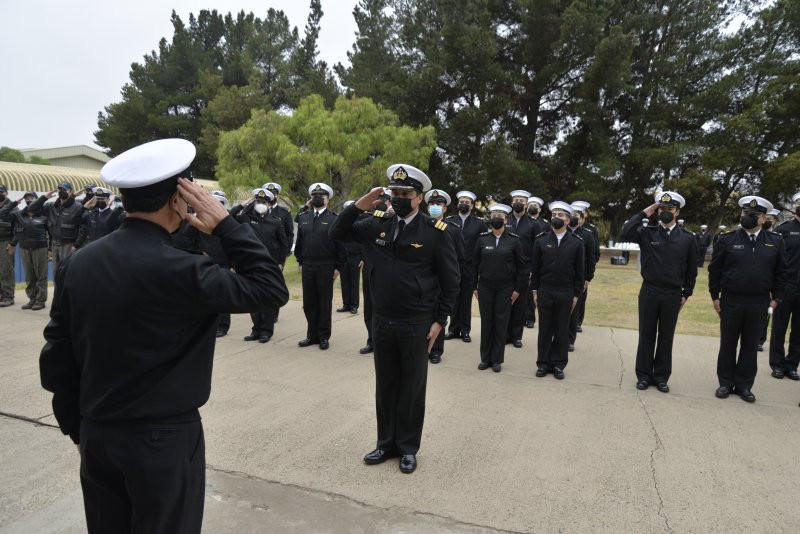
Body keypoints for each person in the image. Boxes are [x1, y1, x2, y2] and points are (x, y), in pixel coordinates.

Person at [39, 138, 289, 533]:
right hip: (163, 441)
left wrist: (81, 428)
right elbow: (271, 289)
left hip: (98, 432)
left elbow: (56, 358)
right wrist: (225, 225)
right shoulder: (185, 270)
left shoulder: (78, 264)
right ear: (179, 197)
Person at [329, 164, 460, 474]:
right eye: (395, 193)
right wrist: (359, 205)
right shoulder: (376, 224)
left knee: (412, 387)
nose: (399, 198)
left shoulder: (435, 232)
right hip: (382, 320)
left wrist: (440, 320)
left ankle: (408, 448)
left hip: (417, 322)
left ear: (420, 198)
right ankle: (385, 443)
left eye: (406, 194)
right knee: (385, 385)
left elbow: (452, 281)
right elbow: (337, 233)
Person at [709, 195, 787, 403]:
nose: (747, 217)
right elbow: (714, 270)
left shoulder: (776, 242)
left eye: (753, 215)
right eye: (745, 213)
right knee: (728, 343)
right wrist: (715, 296)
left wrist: (776, 298)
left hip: (759, 302)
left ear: (763, 218)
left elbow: (781, 273)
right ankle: (725, 383)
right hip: (731, 300)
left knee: (750, 345)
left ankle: (744, 385)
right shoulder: (726, 240)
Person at [619, 192, 697, 393]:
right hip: (650, 291)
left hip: (672, 294)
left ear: (677, 212)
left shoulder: (688, 238)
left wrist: (685, 293)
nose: (665, 212)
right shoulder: (648, 233)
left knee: (666, 336)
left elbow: (691, 270)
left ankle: (661, 377)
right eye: (662, 209)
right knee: (646, 334)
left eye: (670, 209)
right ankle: (643, 375)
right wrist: (646, 211)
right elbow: (625, 233)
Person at [531, 201, 585, 379]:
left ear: (568, 220)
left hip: (565, 292)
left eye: (561, 215)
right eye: (554, 215)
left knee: (562, 329)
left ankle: (558, 364)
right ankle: (543, 363)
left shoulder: (577, 243)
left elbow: (580, 272)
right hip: (545, 290)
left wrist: (576, 295)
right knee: (545, 329)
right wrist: (535, 290)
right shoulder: (541, 240)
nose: (556, 218)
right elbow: (536, 269)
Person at [473, 203, 527, 372]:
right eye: (494, 215)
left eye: (500, 215)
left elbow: (522, 267)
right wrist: (475, 286)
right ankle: (485, 358)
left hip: (506, 288)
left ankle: (497, 360)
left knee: (501, 322)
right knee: (487, 322)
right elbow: (474, 264)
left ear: (506, 219)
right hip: (485, 287)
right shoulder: (482, 239)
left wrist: (518, 289)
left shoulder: (514, 240)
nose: (497, 218)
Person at [173, 190, 234, 338]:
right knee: (206, 296)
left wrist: (234, 265)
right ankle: (209, 324)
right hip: (206, 263)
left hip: (224, 264)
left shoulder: (228, 224)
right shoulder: (198, 223)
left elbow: (234, 246)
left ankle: (223, 326)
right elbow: (185, 240)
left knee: (223, 297)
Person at [234, 188, 290, 343]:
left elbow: (284, 245)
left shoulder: (276, 222)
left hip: (269, 266)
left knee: (267, 298)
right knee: (252, 297)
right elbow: (230, 216)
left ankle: (266, 331)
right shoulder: (245, 219)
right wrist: (244, 205)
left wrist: (280, 263)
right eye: (257, 201)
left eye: (263, 202)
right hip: (250, 264)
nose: (260, 204)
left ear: (268, 204)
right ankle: (256, 329)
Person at [295, 182, 346, 350]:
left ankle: (324, 336)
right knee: (309, 303)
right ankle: (312, 335)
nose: (318, 198)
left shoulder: (334, 219)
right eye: (315, 196)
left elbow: (341, 246)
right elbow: (300, 243)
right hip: (308, 266)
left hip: (326, 266)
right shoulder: (304, 217)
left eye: (321, 196)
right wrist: (300, 261)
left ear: (328, 200)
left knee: (324, 302)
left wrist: (338, 267)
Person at [425, 189, 467, 363]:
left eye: (439, 205)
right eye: (432, 204)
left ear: (445, 209)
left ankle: (436, 350)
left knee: (439, 313)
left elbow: (460, 257)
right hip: (422, 277)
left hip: (442, 279)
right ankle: (422, 347)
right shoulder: (421, 225)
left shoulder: (453, 229)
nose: (435, 207)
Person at [444, 190, 487, 343]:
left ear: (472, 206)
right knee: (453, 298)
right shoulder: (449, 221)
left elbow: (482, 245)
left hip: (470, 266)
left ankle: (465, 330)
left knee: (466, 299)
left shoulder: (479, 223)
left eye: (466, 203)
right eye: (461, 202)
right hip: (452, 265)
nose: (463, 204)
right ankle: (453, 329)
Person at [769, 196, 800, 379]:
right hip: (787, 284)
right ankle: (777, 364)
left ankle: (792, 364)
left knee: (798, 329)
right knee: (780, 326)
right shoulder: (784, 230)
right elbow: (775, 261)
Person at [359, 189, 392, 354]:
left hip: (388, 271)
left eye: (384, 201)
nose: (380, 204)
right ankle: (372, 340)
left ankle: (386, 343)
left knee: (387, 308)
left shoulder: (396, 220)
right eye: (377, 201)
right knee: (369, 308)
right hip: (369, 269)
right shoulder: (368, 220)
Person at [27, 182, 84, 278]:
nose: (62, 192)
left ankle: (68, 293)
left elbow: (83, 227)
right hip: (55, 245)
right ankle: (57, 293)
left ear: (71, 192)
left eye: (65, 190)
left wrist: (76, 245)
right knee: (56, 274)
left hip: (69, 245)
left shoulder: (77, 207)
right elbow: (31, 208)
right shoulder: (51, 206)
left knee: (67, 273)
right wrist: (44, 197)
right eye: (60, 190)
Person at [3, 192, 49, 310]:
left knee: (41, 276)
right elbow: (2, 214)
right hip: (25, 248)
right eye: (27, 198)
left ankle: (40, 300)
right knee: (29, 276)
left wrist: (50, 250)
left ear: (37, 200)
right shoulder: (19, 215)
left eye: (32, 198)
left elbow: (51, 234)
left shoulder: (44, 215)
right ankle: (32, 299)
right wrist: (13, 204)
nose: (29, 200)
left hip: (40, 248)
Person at [505, 189, 535, 348]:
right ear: (511, 203)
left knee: (520, 303)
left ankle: (516, 336)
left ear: (527, 204)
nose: (518, 203)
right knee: (506, 302)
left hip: (524, 270)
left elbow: (537, 249)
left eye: (521, 201)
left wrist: (532, 271)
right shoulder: (505, 220)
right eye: (516, 200)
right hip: (506, 268)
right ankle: (505, 334)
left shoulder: (533, 223)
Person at [567, 204, 597, 351]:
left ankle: (570, 340)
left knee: (573, 310)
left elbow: (592, 258)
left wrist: (587, 278)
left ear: (581, 219)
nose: (573, 218)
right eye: (571, 215)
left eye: (576, 216)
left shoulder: (587, 235)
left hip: (579, 279)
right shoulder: (561, 232)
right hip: (562, 278)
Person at [758, 209, 781, 351]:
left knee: (766, 313)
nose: (767, 221)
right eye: (766, 218)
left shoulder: (777, 237)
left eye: (770, 219)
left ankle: (760, 340)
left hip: (770, 282)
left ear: (775, 221)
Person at [524, 196, 548, 328]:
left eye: (535, 205)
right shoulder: (523, 222)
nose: (532, 207)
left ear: (539, 209)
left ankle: (530, 318)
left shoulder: (544, 224)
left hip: (534, 261)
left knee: (530, 292)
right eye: (530, 204)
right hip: (522, 260)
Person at [338, 200, 362, 314]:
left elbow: (364, 242)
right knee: (344, 281)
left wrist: (363, 258)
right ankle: (346, 304)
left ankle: (354, 305)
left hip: (356, 256)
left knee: (354, 281)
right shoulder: (342, 223)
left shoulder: (361, 222)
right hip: (343, 256)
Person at [0, 185, 15, 307]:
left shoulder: (12, 208)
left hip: (6, 242)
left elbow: (18, 227)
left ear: (6, 193)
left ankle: (8, 297)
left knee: (6, 270)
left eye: (1, 192)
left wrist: (13, 243)